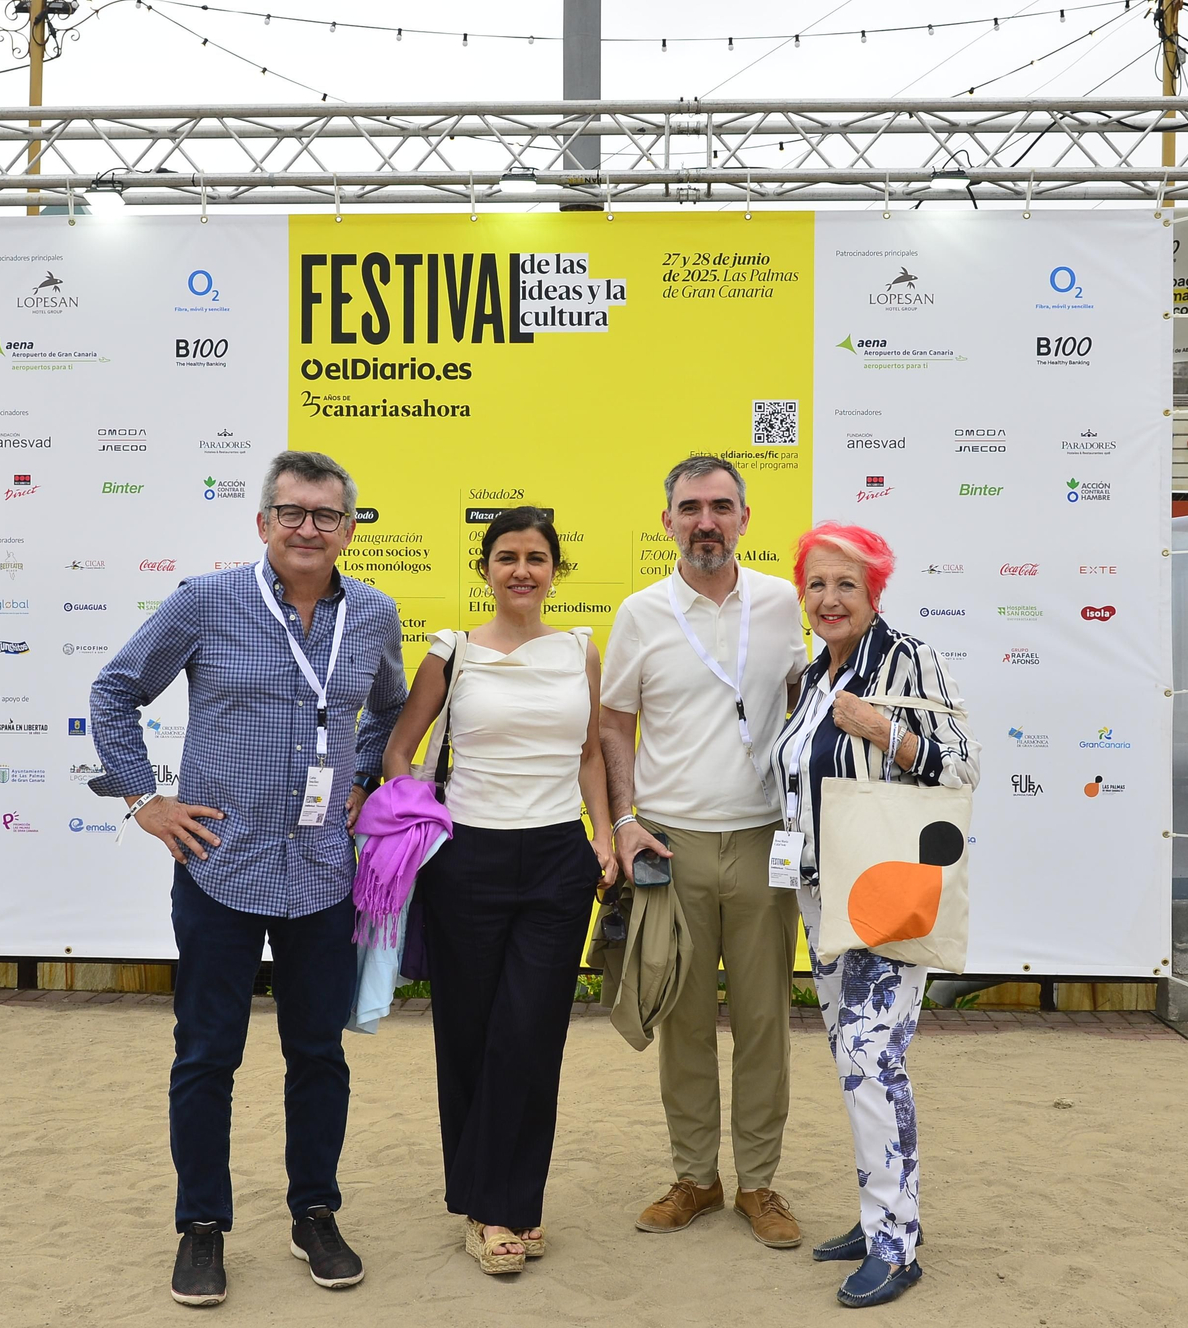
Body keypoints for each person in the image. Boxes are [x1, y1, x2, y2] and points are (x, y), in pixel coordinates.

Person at [88, 450, 407, 1308]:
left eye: (327, 515)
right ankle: (202, 1226)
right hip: (219, 868)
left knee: (319, 1055)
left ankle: (315, 1214)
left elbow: (390, 706)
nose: (309, 528)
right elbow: (115, 691)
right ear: (263, 521)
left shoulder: (373, 614)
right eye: (292, 512)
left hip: (322, 873)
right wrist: (145, 799)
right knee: (206, 1056)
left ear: (348, 529)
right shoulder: (207, 602)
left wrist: (361, 777)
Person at [380, 506, 619, 1276]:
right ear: (485, 568)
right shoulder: (450, 652)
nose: (522, 570)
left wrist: (603, 837)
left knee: (532, 1034)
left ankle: (506, 1201)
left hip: (557, 861)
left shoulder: (581, 650)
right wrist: (418, 825)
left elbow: (590, 755)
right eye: (507, 556)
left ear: (555, 570)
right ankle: (489, 1207)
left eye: (536, 557)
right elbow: (398, 752)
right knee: (469, 1033)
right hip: (466, 859)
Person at [767, 521, 979, 1310]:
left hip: (885, 891)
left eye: (846, 585)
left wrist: (886, 733)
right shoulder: (812, 675)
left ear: (874, 591)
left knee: (870, 1058)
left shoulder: (907, 658)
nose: (829, 599)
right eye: (817, 584)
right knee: (852, 1060)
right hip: (823, 894)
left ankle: (895, 1246)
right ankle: (878, 1215)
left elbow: (963, 766)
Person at [600, 455, 809, 1250]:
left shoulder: (785, 601)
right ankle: (696, 1177)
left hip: (765, 839)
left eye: (721, 506)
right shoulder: (641, 612)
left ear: (744, 518)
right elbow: (614, 722)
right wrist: (624, 820)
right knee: (682, 1021)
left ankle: (758, 1183)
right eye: (690, 508)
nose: (706, 522)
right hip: (671, 843)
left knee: (764, 1021)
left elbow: (804, 701)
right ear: (668, 522)